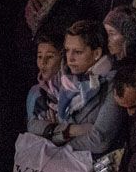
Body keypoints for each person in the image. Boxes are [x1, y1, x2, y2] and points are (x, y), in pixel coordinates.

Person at [28, 21, 125, 154]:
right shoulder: (64, 80)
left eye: (78, 52)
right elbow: (33, 126)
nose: (70, 58)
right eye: (67, 50)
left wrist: (55, 139)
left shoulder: (111, 84)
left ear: (96, 53)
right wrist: (70, 130)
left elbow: (100, 140)